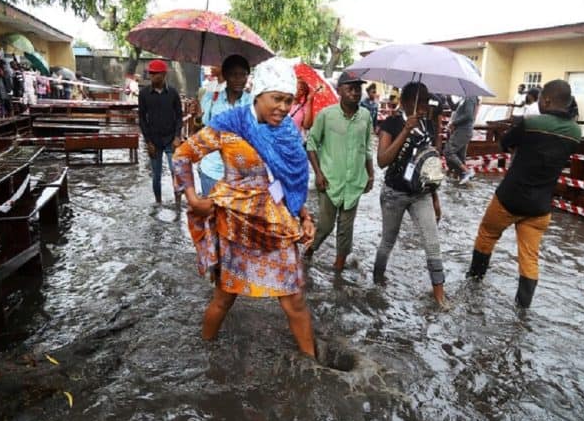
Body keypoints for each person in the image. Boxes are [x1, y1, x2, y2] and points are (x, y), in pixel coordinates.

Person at [172, 57, 317, 358]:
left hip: (277, 225)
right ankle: (205, 355)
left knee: (295, 301)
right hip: (236, 226)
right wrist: (193, 198)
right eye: (276, 98)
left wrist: (303, 214)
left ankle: (313, 366)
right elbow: (182, 156)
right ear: (259, 94)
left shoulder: (288, 132)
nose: (282, 107)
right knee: (225, 299)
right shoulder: (230, 125)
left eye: (288, 101)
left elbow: (291, 182)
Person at [466, 80, 581, 308]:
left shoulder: (530, 122)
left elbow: (504, 143)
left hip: (510, 198)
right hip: (540, 207)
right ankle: (523, 308)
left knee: (487, 235)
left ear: (546, 100)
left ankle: (473, 284)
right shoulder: (575, 132)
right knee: (530, 257)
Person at [372, 82, 446, 307]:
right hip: (394, 192)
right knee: (388, 241)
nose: (423, 105)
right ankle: (376, 282)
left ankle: (439, 296)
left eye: (426, 100)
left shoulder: (429, 125)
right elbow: (382, 160)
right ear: (405, 102)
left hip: (421, 194)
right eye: (419, 100)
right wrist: (405, 131)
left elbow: (430, 165)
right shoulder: (392, 123)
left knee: (432, 243)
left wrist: (435, 199)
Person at [305, 71, 374, 272]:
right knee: (326, 226)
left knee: (346, 229)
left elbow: (367, 146)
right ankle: (309, 250)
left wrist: (371, 174)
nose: (355, 92)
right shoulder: (327, 115)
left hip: (354, 181)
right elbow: (311, 143)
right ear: (339, 91)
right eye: (350, 88)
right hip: (329, 180)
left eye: (358, 88)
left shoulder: (366, 116)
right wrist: (318, 173)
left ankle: (338, 268)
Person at [197, 55, 252, 196]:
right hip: (212, 170)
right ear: (226, 75)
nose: (239, 79)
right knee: (212, 215)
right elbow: (200, 129)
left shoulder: (252, 104)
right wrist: (197, 118)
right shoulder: (211, 98)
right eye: (234, 75)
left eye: (243, 75)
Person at [138, 59, 183, 206]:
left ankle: (177, 204)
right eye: (151, 73)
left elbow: (179, 116)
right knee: (156, 175)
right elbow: (142, 119)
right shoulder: (144, 94)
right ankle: (158, 203)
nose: (152, 76)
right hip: (154, 140)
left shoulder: (173, 93)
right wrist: (148, 142)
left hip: (171, 139)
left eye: (155, 73)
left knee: (175, 171)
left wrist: (177, 136)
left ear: (163, 75)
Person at [444, 95, 478, 184]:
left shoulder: (470, 98)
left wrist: (453, 123)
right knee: (460, 157)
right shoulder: (464, 98)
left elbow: (468, 115)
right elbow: (454, 108)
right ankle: (462, 179)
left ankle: (467, 172)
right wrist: (448, 98)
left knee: (449, 151)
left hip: (463, 131)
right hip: (461, 130)